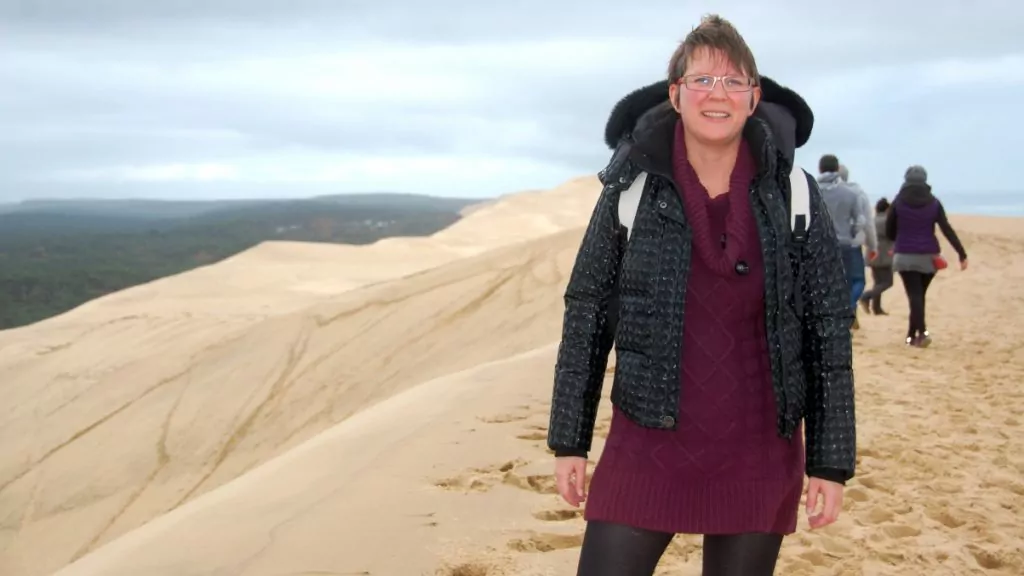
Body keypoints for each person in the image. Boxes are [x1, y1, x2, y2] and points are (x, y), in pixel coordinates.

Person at [546, 14, 856, 576]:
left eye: (733, 82)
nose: (718, 95)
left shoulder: (794, 192)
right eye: (702, 81)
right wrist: (570, 440)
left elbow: (826, 325)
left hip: (759, 444)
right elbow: (587, 309)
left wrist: (830, 464)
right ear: (676, 93)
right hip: (646, 437)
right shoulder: (632, 186)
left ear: (755, 97)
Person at [885, 165, 968, 347]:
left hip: (905, 256)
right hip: (928, 258)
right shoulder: (934, 203)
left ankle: (919, 334)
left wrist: (897, 239)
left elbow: (889, 229)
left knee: (915, 296)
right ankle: (913, 335)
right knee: (919, 295)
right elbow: (946, 229)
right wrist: (961, 253)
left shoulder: (898, 202)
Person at [817, 155, 878, 324]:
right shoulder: (851, 193)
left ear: (820, 169)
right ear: (837, 169)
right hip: (846, 243)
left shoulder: (812, 191)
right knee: (856, 280)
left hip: (819, 244)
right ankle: (847, 309)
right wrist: (856, 236)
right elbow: (861, 220)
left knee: (824, 282)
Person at [859, 197, 895, 314]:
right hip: (883, 255)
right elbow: (893, 236)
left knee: (878, 282)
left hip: (871, 254)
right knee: (887, 282)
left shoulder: (872, 221)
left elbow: (864, 237)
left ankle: (876, 308)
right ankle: (866, 296)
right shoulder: (887, 221)